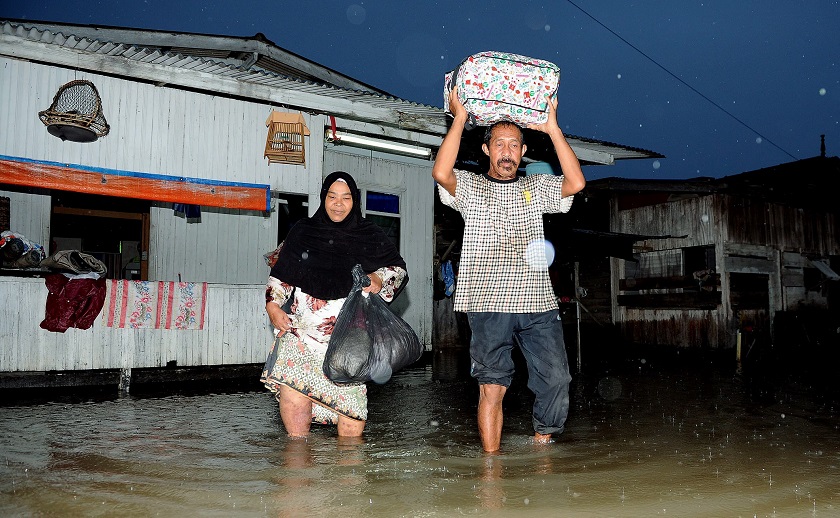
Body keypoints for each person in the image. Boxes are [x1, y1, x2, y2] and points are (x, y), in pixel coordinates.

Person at [432, 87, 586, 452]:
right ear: (486, 150)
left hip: (537, 303)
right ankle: (491, 471)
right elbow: (441, 171)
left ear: (523, 151)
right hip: (487, 302)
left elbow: (576, 183)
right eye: (499, 144)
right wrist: (458, 120)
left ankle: (542, 443)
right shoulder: (469, 186)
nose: (507, 152)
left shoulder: (535, 185)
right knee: (493, 387)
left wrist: (553, 129)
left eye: (514, 145)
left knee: (557, 380)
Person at [261, 171, 408, 438]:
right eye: (332, 196)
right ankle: (296, 472)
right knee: (296, 413)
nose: (338, 203)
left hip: (350, 340)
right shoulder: (303, 231)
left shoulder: (370, 234)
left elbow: (398, 271)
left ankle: (346, 476)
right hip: (302, 334)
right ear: (323, 198)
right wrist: (273, 306)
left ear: (355, 202)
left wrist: (378, 277)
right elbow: (281, 276)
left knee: (351, 419)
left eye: (345, 197)